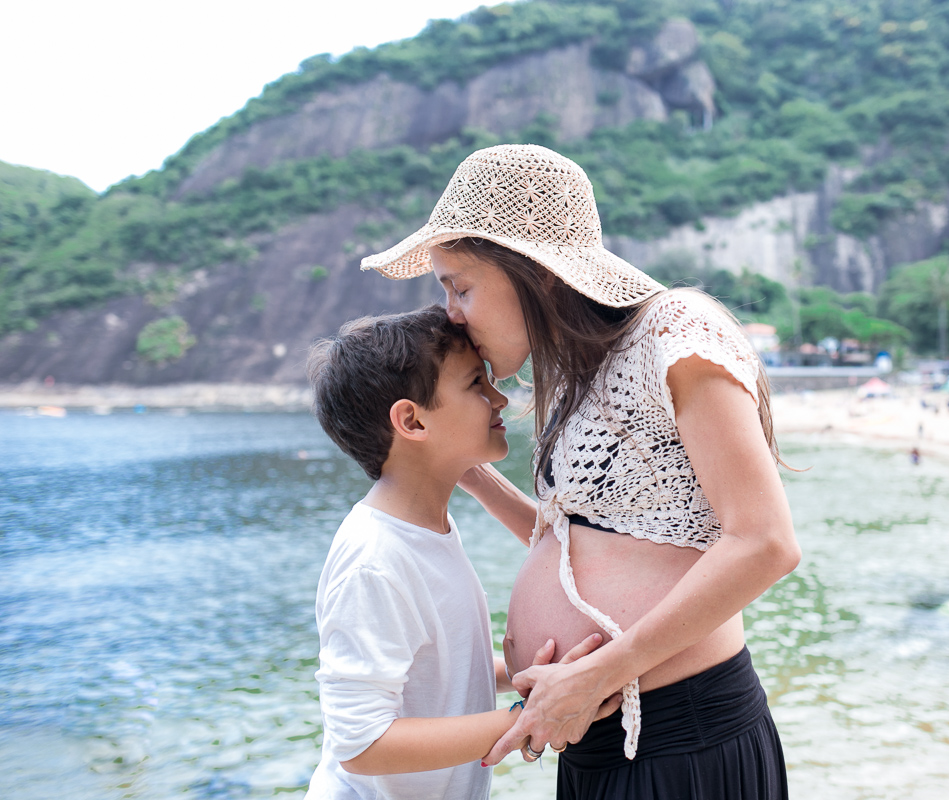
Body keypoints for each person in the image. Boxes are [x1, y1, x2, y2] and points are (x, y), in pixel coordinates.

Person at [361, 144, 802, 798]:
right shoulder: (569, 372)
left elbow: (765, 543)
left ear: (535, 273)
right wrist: (469, 475)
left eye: (460, 286)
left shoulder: (677, 335)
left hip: (682, 736)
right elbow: (574, 538)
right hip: (590, 734)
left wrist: (599, 676)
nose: (452, 312)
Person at [303, 308, 602, 800]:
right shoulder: (375, 559)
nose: (500, 397)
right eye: (475, 384)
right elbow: (361, 743)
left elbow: (435, 670)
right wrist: (532, 718)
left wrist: (538, 681)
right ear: (412, 420)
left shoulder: (425, 525)